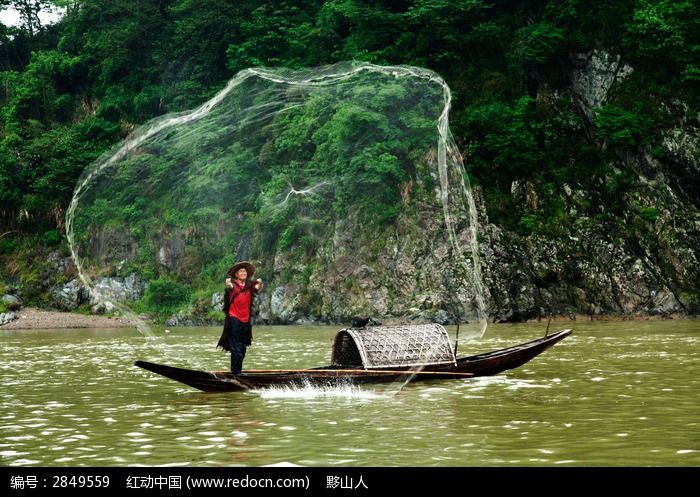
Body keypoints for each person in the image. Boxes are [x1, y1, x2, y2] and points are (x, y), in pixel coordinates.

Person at [216, 261, 263, 373]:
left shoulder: (249, 285)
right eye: (241, 271)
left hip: (246, 320)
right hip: (234, 318)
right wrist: (228, 284)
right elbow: (229, 286)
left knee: (243, 347)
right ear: (236, 274)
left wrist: (260, 283)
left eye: (245, 271)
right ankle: (235, 372)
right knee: (236, 347)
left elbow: (257, 288)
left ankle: (238, 372)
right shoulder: (233, 285)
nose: (244, 272)